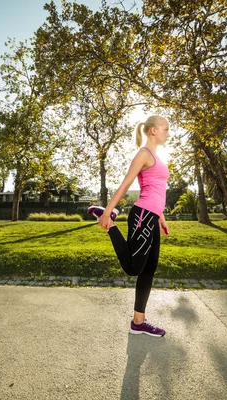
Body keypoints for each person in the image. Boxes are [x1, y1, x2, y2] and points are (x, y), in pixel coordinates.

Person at [88, 115, 170, 337]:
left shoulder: (157, 157)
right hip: (142, 215)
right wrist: (107, 211)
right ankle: (110, 222)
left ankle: (138, 322)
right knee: (134, 268)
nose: (167, 133)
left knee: (149, 269)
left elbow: (157, 190)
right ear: (153, 130)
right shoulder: (144, 154)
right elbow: (126, 184)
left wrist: (161, 217)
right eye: (165, 129)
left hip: (152, 217)